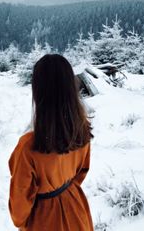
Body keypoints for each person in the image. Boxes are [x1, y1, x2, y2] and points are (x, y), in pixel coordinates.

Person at [8, 54, 94, 231]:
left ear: (39, 92)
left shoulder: (29, 146)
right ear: (71, 88)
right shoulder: (80, 129)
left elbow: (18, 210)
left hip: (44, 220)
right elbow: (81, 172)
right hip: (77, 211)